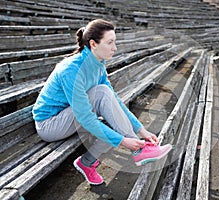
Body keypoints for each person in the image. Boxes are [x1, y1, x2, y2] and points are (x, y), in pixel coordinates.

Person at [32, 19, 172, 185]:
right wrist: (124, 141)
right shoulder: (71, 69)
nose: (115, 48)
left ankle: (86, 163)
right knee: (103, 98)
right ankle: (140, 151)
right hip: (50, 125)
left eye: (115, 42)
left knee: (113, 116)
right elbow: (85, 117)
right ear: (93, 44)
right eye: (110, 42)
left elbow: (115, 102)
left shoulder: (98, 64)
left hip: (72, 117)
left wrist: (142, 131)